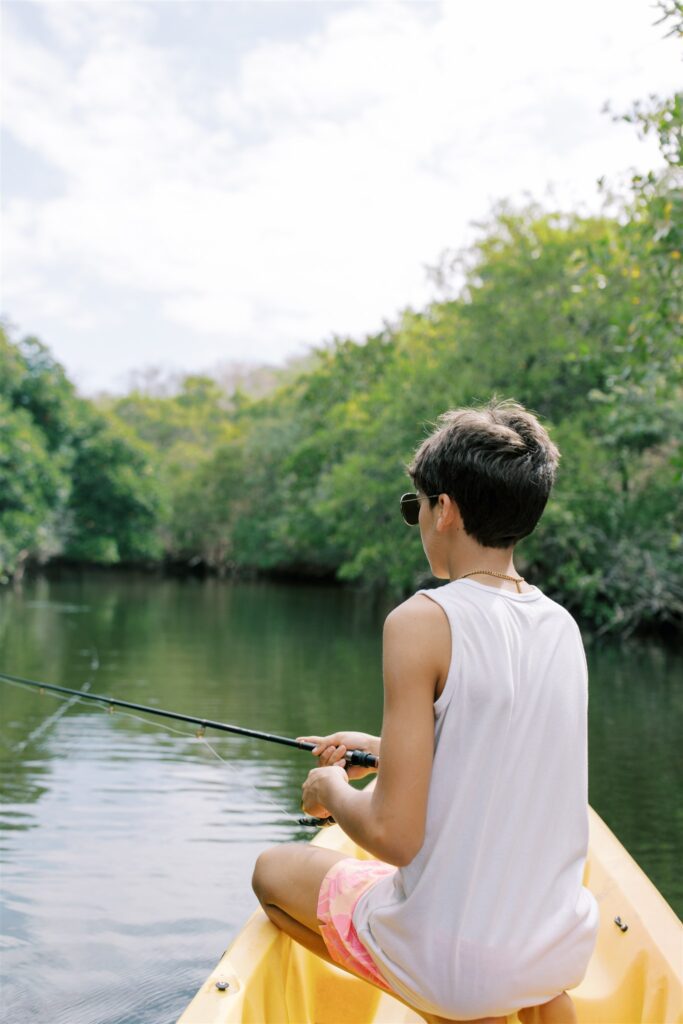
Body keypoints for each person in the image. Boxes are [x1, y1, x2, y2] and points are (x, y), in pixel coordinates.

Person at [252, 399, 600, 1024]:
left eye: (414, 506)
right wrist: (382, 749)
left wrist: (331, 791)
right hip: (556, 949)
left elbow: (394, 835)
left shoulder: (420, 621)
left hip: (456, 966)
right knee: (518, 973)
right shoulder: (561, 626)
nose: (415, 521)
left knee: (271, 873)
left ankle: (453, 1007)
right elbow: (501, 753)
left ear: (445, 510)